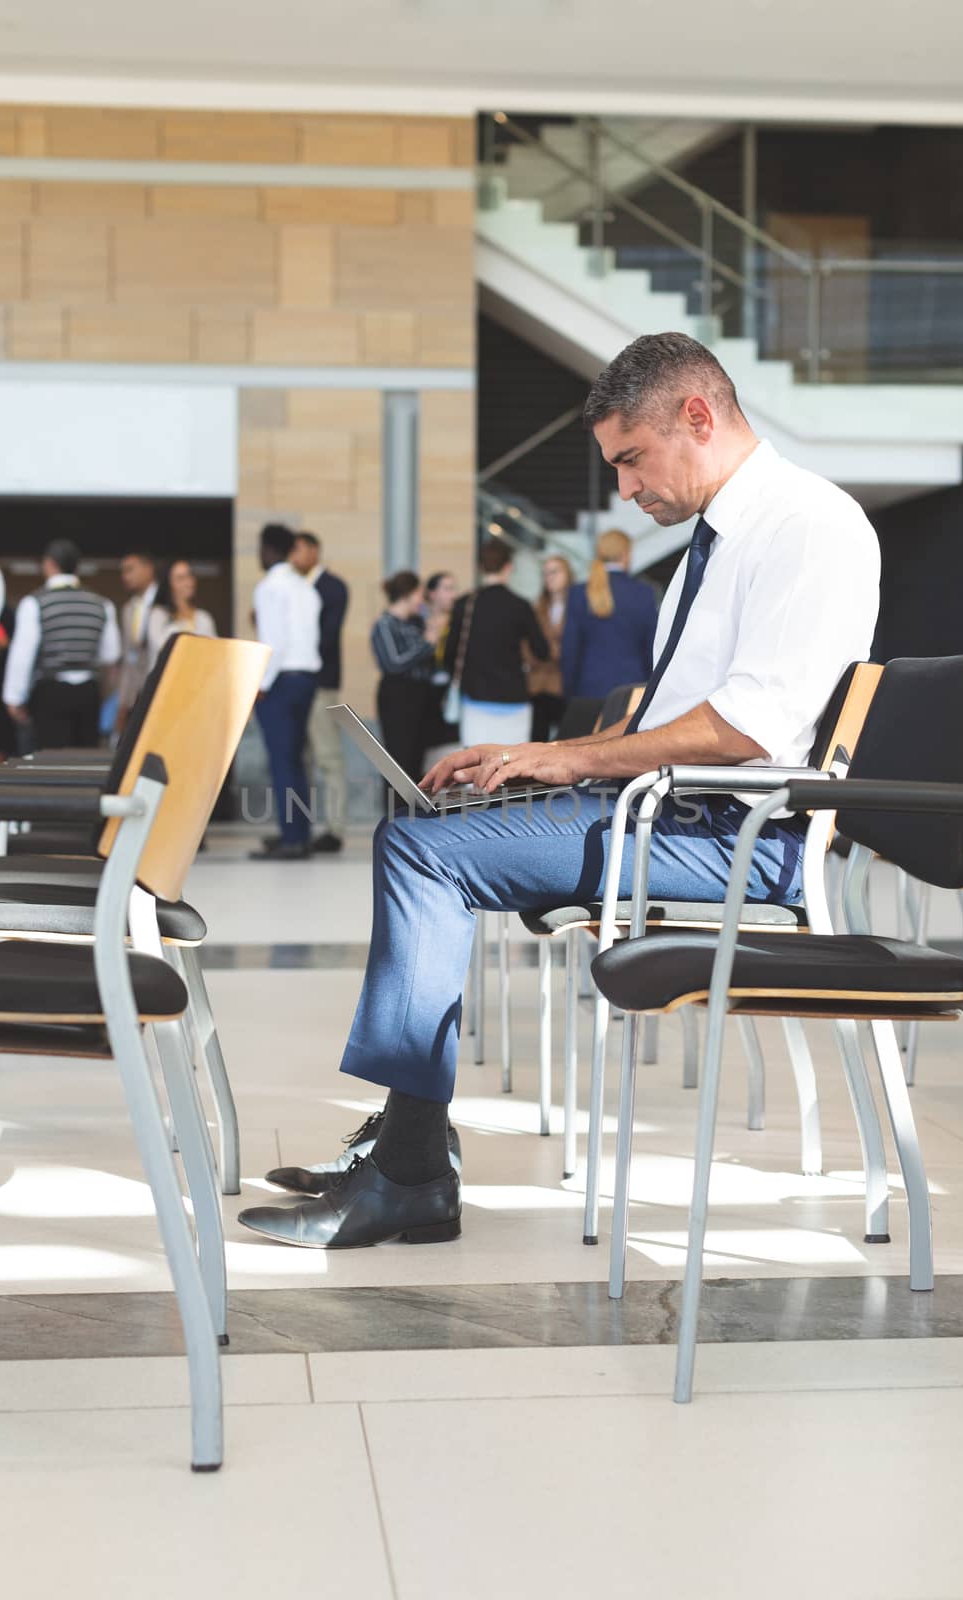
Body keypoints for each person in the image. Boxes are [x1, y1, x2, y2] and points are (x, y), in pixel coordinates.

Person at [238, 330, 880, 1250]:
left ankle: (411, 1170)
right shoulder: (722, 536)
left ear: (696, 416)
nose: (624, 488)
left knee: (424, 854)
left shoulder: (805, 525)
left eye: (630, 459)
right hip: (677, 811)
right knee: (433, 826)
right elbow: (661, 715)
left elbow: (749, 727)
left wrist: (574, 765)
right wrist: (535, 751)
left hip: (741, 836)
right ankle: (407, 1141)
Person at [3, 538, 120, 750]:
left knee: (49, 763)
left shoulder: (35, 602)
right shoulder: (102, 604)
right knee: (85, 763)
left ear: (49, 564)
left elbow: (23, 654)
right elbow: (111, 654)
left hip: (50, 692)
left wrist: (14, 697)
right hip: (88, 693)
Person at [250, 524, 321, 862]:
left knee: (282, 763)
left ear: (268, 549)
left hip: (279, 680)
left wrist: (259, 686)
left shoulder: (270, 586)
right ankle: (299, 834)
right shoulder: (306, 588)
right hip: (306, 678)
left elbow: (272, 642)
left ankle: (292, 839)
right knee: (295, 761)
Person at [444, 537, 550, 748]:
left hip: (476, 698)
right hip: (514, 699)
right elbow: (542, 651)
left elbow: (449, 655)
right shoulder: (520, 606)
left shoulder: (464, 605)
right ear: (509, 567)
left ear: (480, 567)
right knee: (511, 769)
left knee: (475, 768)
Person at [289, 530, 350, 854]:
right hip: (295, 684)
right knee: (302, 759)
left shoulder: (332, 587)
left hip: (321, 682)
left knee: (328, 757)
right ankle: (299, 828)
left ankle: (335, 828)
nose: (292, 557)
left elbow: (325, 636)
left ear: (314, 550)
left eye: (297, 550)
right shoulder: (289, 586)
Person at [561, 527, 658, 700]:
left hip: (589, 687)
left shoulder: (578, 592)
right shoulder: (644, 593)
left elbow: (570, 649)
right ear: (626, 555)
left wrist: (569, 691)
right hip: (632, 687)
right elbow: (652, 647)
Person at [370, 571, 442, 785]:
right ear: (408, 594)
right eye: (419, 594)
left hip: (421, 694)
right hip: (397, 695)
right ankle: (396, 813)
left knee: (416, 758)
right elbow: (394, 663)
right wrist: (427, 643)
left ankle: (414, 813)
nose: (422, 601)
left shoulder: (416, 623)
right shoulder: (384, 624)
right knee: (397, 759)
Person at [527, 554, 573, 742]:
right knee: (538, 740)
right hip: (539, 685)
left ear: (567, 574)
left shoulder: (576, 606)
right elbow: (527, 646)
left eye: (555, 572)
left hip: (566, 684)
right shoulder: (537, 608)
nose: (549, 577)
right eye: (545, 573)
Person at [146, 558, 217, 667]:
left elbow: (214, 651)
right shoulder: (158, 615)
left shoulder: (203, 617)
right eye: (180, 578)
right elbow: (162, 648)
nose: (188, 582)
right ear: (169, 583)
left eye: (189, 576)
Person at [116, 550, 157, 734]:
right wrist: (124, 702)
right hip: (136, 694)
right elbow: (128, 658)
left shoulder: (165, 603)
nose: (125, 576)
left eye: (130, 569)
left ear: (148, 568)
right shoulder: (129, 609)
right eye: (123, 572)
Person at [422, 570, 460, 752]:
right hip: (424, 693)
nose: (452, 594)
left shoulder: (458, 623)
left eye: (453, 589)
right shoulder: (419, 622)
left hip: (450, 692)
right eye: (447, 589)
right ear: (432, 593)